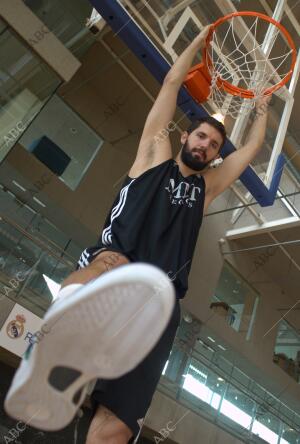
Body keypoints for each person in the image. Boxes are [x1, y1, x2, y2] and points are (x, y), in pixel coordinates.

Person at [5, 24, 270, 444]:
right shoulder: (152, 154)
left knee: (118, 424)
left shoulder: (206, 190)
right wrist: (200, 41)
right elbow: (170, 82)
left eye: (214, 145)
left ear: (216, 155)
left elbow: (253, 149)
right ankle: (52, 351)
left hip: (157, 304)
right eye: (200, 135)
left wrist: (262, 105)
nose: (205, 145)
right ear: (185, 136)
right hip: (117, 261)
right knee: (112, 262)